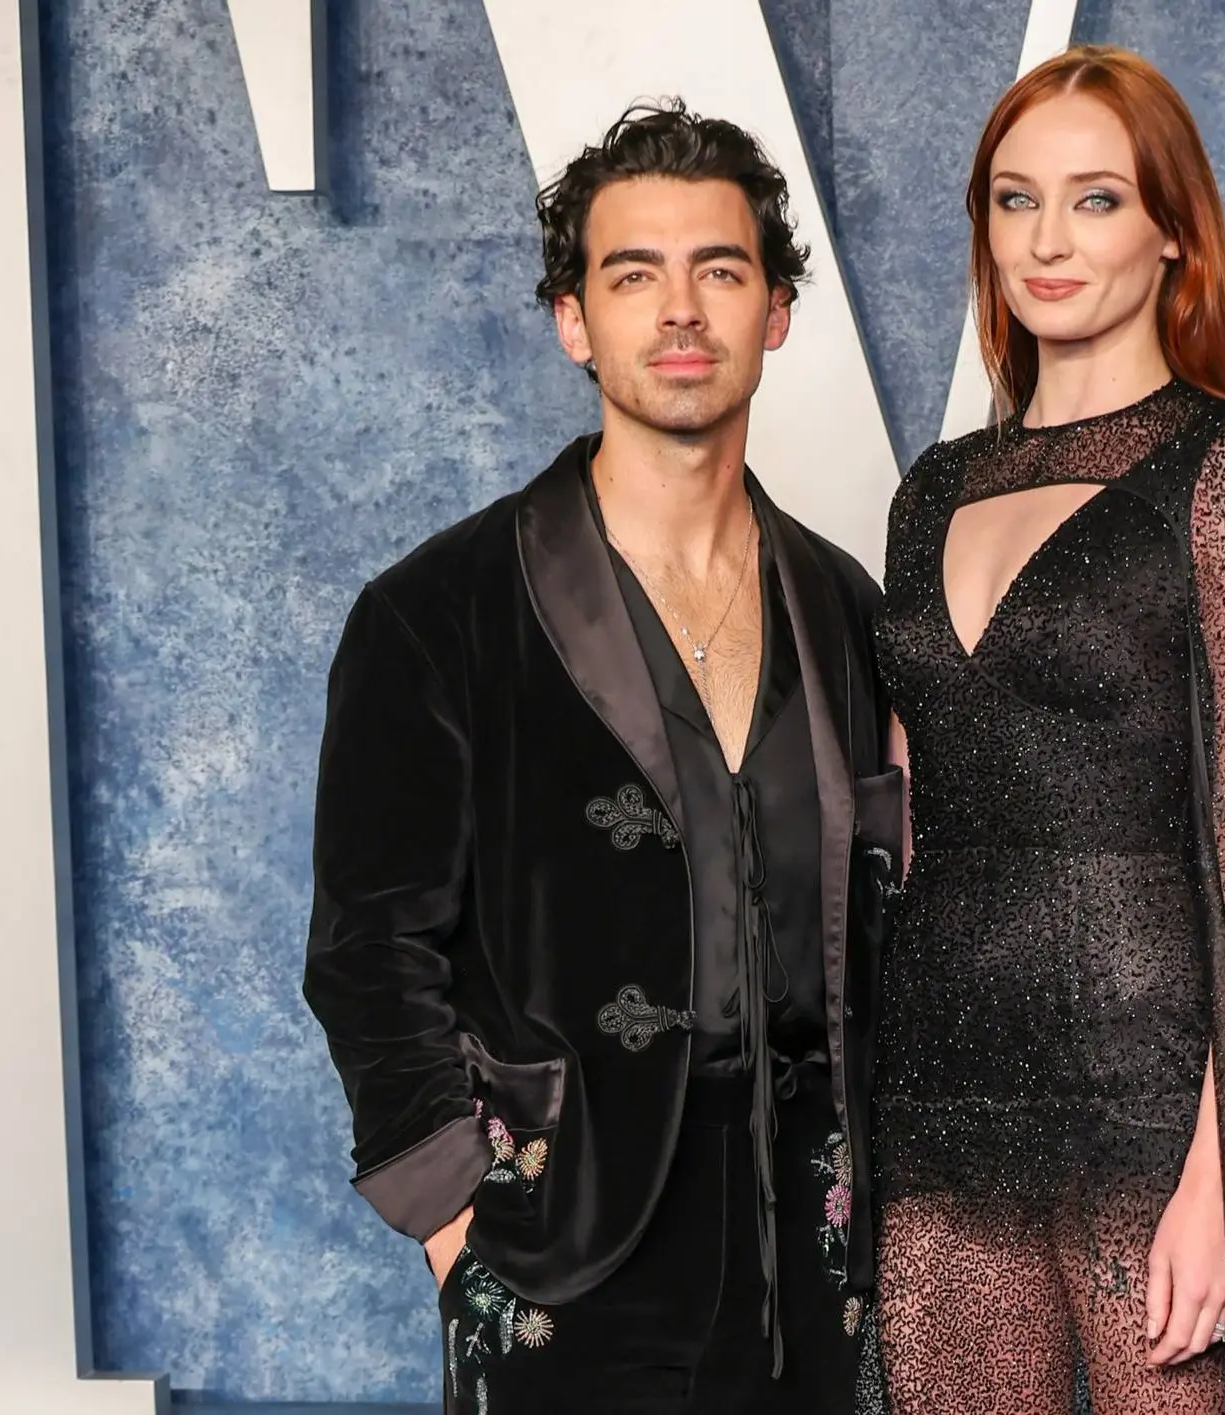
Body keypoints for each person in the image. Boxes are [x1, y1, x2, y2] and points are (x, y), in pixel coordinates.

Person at [303, 100, 901, 1415]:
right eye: (634, 275)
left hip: (809, 1255)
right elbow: (367, 949)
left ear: (776, 311)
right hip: (554, 1248)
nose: (680, 310)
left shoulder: (848, 611)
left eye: (720, 270)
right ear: (574, 320)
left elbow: (886, 919)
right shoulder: (434, 614)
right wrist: (458, 1225)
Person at [872, 46, 1225, 1415]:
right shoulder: (931, 491)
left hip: (1148, 1097)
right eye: (1014, 199)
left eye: (1094, 199)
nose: (1047, 240)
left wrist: (1220, 1178)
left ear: (1172, 233)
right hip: (939, 1082)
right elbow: (907, 808)